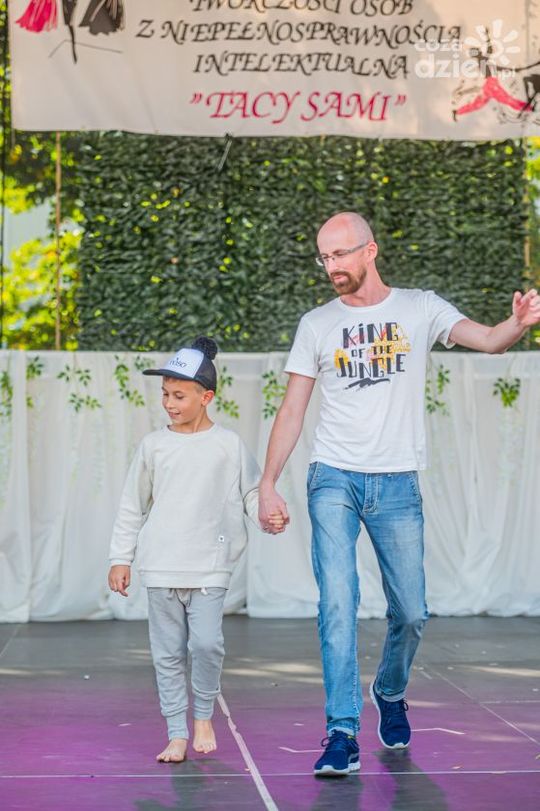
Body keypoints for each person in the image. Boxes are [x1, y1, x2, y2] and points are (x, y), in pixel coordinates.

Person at [258, 212, 540, 777]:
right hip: (333, 477)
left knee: (411, 612)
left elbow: (488, 341)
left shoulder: (419, 308)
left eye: (340, 254)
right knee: (337, 603)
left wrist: (517, 324)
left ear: (370, 251)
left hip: (397, 482)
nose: (331, 266)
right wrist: (267, 483)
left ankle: (389, 690)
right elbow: (292, 410)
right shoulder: (317, 324)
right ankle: (342, 731)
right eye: (324, 257)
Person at [108, 336, 283, 763]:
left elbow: (250, 492)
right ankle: (176, 732)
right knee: (167, 655)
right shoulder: (154, 446)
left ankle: (203, 714)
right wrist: (120, 557)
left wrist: (266, 513)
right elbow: (133, 504)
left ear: (206, 397)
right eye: (165, 394)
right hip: (161, 567)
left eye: (179, 395)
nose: (169, 403)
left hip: (209, 565)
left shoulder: (228, 444)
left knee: (206, 645)